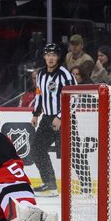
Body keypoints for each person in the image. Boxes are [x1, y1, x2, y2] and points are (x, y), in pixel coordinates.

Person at [30, 43, 76, 196]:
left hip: (64, 119)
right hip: (47, 118)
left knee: (72, 154)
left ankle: (87, 188)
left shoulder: (65, 75)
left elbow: (74, 97)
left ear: (58, 57)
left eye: (54, 55)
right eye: (48, 54)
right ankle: (50, 185)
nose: (50, 58)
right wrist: (36, 114)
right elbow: (39, 94)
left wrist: (60, 116)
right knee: (37, 149)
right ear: (44, 56)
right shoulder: (41, 74)